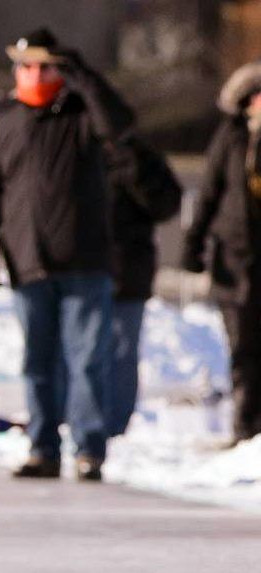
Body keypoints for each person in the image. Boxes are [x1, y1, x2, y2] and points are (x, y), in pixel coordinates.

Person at [0, 28, 134, 481]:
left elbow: (120, 125)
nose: (35, 75)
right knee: (37, 362)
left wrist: (83, 77)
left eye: (46, 67)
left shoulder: (83, 113)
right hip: (28, 260)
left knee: (86, 361)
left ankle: (89, 448)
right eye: (27, 66)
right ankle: (43, 447)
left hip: (85, 261)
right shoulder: (4, 120)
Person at [182, 60, 261, 446]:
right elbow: (209, 195)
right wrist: (193, 248)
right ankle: (246, 428)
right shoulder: (229, 139)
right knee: (242, 348)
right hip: (235, 261)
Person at [101, 134, 181, 437]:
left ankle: (113, 429)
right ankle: (79, 422)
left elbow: (166, 204)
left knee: (121, 349)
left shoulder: (139, 155)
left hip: (127, 269)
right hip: (76, 267)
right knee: (77, 352)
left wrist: (132, 164)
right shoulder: (72, 142)